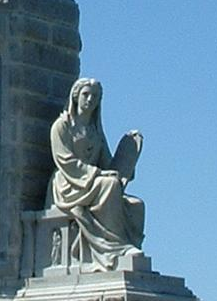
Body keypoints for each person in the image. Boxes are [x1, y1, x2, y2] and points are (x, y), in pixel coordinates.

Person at [48, 78, 145, 270]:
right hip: (68, 183)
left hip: (92, 182)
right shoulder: (62, 126)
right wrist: (98, 174)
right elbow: (64, 160)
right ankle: (116, 248)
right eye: (86, 94)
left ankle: (129, 248)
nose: (90, 99)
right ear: (76, 96)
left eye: (95, 96)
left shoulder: (95, 131)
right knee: (109, 185)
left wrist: (128, 157)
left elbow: (108, 163)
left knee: (136, 205)